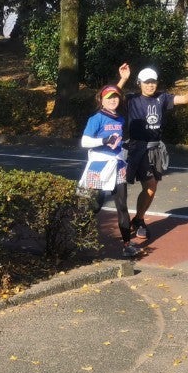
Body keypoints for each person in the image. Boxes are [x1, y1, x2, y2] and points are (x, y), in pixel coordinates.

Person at [116, 62, 188, 246]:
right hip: (133, 148)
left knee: (151, 186)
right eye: (146, 82)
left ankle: (139, 219)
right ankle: (116, 219)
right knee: (120, 187)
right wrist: (123, 79)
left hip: (153, 150)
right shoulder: (131, 99)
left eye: (153, 82)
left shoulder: (162, 98)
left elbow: (184, 99)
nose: (150, 85)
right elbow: (111, 97)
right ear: (139, 83)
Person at [78, 84, 135, 255]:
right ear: (101, 100)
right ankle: (80, 239)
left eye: (115, 97)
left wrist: (124, 145)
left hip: (117, 165)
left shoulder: (120, 119)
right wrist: (104, 141)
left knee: (122, 206)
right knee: (95, 205)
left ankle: (127, 245)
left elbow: (118, 141)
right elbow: (85, 142)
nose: (113, 100)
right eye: (109, 97)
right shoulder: (96, 118)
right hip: (99, 166)